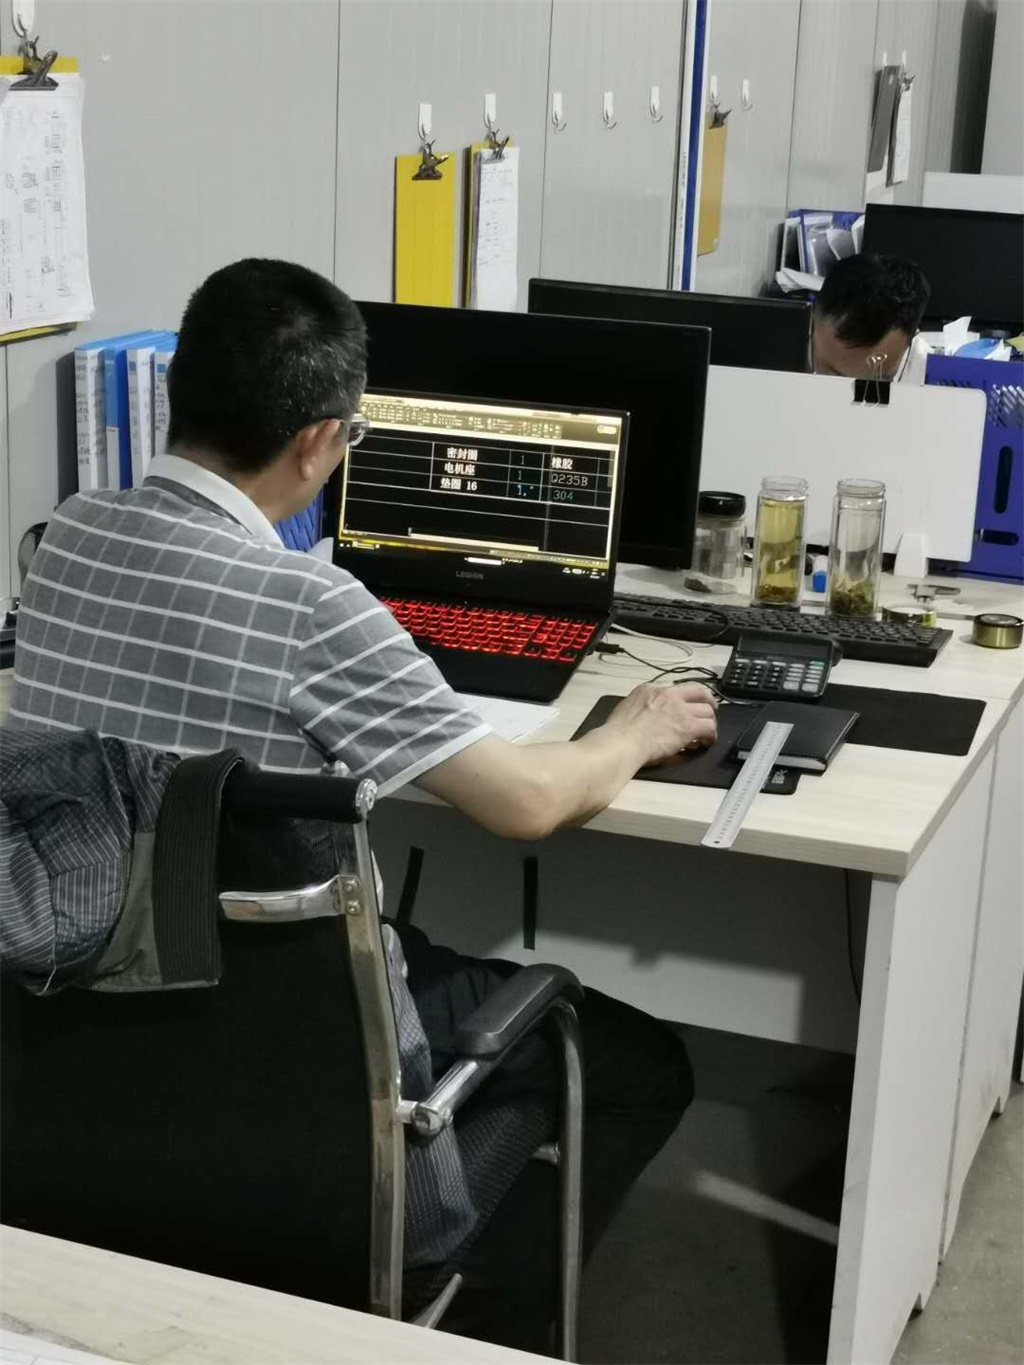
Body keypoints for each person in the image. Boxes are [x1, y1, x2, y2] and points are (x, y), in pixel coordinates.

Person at [10, 259, 718, 1353]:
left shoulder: (63, 543)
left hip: (81, 1069)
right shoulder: (310, 603)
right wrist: (636, 727)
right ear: (317, 443)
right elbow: (527, 803)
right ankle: (461, 1320)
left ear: (177, 392)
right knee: (640, 1063)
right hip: (282, 1084)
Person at [812, 252, 931, 380]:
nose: (859, 391)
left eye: (880, 381)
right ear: (810, 323)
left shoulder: (933, 379)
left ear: (912, 340)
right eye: (835, 377)